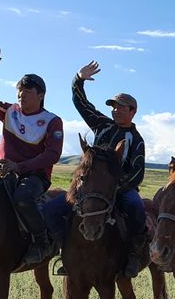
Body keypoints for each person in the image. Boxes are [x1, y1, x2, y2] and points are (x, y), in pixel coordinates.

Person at [45, 61, 147, 278]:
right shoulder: (102, 124)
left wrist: (113, 187)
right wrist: (78, 79)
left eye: (120, 107)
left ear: (133, 111)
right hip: (89, 188)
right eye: (113, 106)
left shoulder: (136, 140)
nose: (115, 110)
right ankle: (65, 251)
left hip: (118, 190)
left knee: (136, 207)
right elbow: (81, 104)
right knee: (51, 210)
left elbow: (137, 174)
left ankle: (134, 255)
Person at [0, 44, 63, 265]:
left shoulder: (52, 121)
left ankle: (41, 242)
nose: (21, 97)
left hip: (34, 176)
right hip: (2, 171)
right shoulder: (10, 112)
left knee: (22, 198)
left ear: (40, 95)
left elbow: (52, 154)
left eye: (27, 93)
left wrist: (19, 167)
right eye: (19, 93)